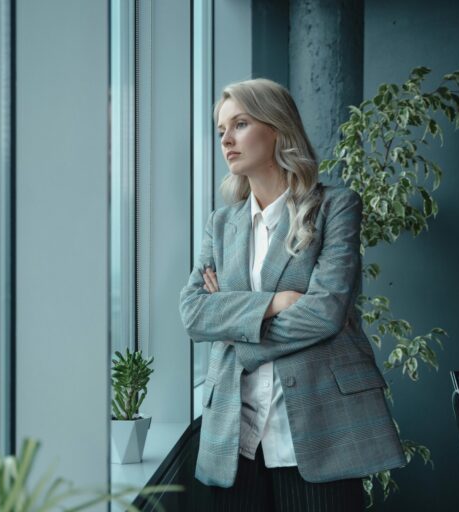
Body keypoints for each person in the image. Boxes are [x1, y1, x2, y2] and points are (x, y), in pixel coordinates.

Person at [178, 78, 407, 511]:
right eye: (221, 129)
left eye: (240, 124)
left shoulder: (335, 206)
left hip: (318, 431)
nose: (226, 138)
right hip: (235, 438)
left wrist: (234, 328)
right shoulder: (221, 225)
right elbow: (192, 313)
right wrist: (274, 302)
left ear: (277, 129)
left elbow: (325, 313)